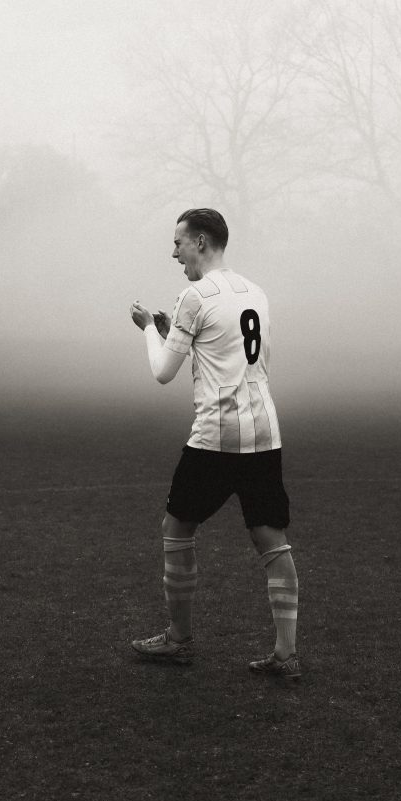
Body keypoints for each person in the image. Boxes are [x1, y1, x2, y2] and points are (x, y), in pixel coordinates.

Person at [129, 208, 299, 681]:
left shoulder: (193, 296)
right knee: (272, 540)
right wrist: (176, 335)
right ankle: (286, 655)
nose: (174, 251)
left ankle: (178, 639)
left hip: (216, 437)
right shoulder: (256, 293)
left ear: (201, 241)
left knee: (177, 526)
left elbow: (163, 373)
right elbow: (237, 358)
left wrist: (147, 327)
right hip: (264, 433)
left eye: (179, 241)